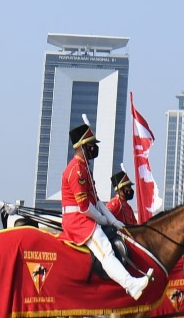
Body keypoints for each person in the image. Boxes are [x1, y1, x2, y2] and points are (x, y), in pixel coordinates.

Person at [59, 122, 148, 298]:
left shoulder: (85, 168)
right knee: (105, 249)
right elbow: (84, 207)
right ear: (83, 147)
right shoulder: (76, 170)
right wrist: (102, 220)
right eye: (91, 145)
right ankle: (131, 285)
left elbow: (97, 201)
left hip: (84, 216)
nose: (94, 148)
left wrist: (114, 221)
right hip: (77, 220)